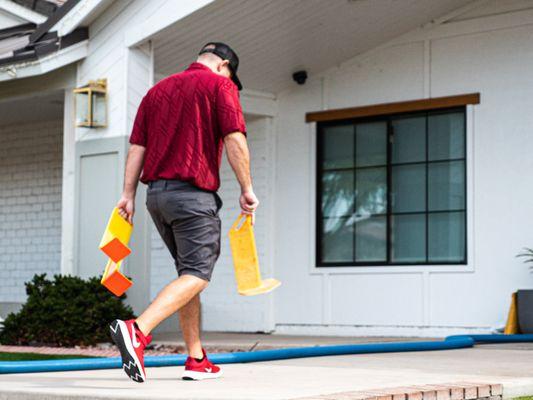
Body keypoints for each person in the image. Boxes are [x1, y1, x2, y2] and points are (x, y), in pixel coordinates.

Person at [109, 42, 259, 383]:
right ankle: (137, 331)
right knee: (197, 274)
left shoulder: (156, 91)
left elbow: (137, 147)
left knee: (187, 277)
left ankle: (196, 358)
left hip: (156, 197)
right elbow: (234, 138)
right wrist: (247, 189)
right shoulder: (220, 85)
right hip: (192, 197)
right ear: (223, 66)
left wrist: (127, 194)